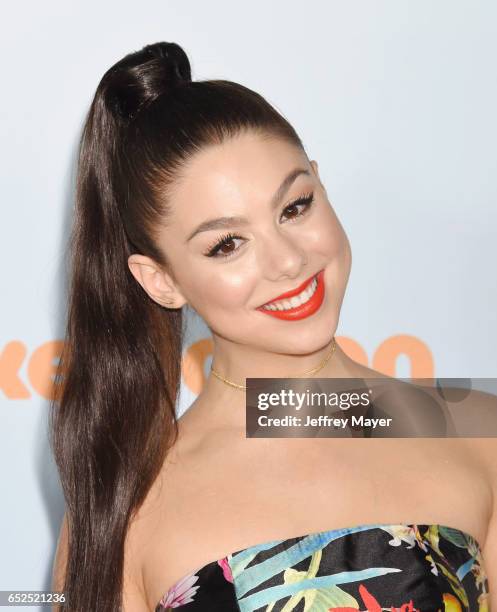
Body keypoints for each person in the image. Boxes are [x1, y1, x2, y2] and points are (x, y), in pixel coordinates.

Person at [50, 42, 496, 611]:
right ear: (160, 279)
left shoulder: (480, 435)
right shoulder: (127, 511)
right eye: (227, 244)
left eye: (295, 206)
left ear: (321, 186)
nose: (288, 261)